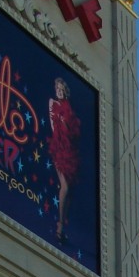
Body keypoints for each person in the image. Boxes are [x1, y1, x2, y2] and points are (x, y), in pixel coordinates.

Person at [47, 78, 82, 243]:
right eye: (57, 89)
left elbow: (74, 131)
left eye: (62, 89)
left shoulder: (69, 108)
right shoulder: (52, 103)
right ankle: (59, 225)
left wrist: (66, 124)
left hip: (70, 151)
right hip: (58, 148)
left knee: (71, 191)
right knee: (65, 187)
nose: (59, 91)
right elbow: (54, 126)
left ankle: (63, 227)